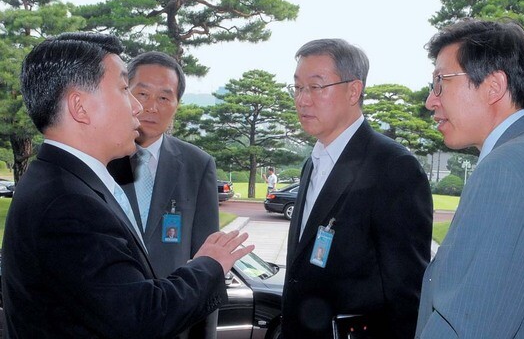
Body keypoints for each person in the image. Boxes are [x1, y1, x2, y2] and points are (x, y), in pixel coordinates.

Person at [1, 32, 253, 338]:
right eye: (124, 89)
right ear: (80, 107)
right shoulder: (70, 205)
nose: (138, 108)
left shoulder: (61, 180)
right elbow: (140, 317)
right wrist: (210, 264)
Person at [415, 18, 524, 338]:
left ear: (494, 86)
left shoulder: (505, 170)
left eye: (441, 81)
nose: (431, 100)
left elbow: (466, 324)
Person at [281, 38, 433, 338]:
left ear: (354, 90)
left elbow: (407, 295)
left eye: (316, 86)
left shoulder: (394, 168)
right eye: (297, 87)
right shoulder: (313, 161)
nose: (302, 99)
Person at [107, 51, 220, 338]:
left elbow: (207, 262)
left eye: (164, 97)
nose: (151, 107)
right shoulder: (100, 158)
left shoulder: (198, 165)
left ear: (177, 104)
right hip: (108, 319)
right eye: (142, 93)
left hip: (173, 324)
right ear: (124, 93)